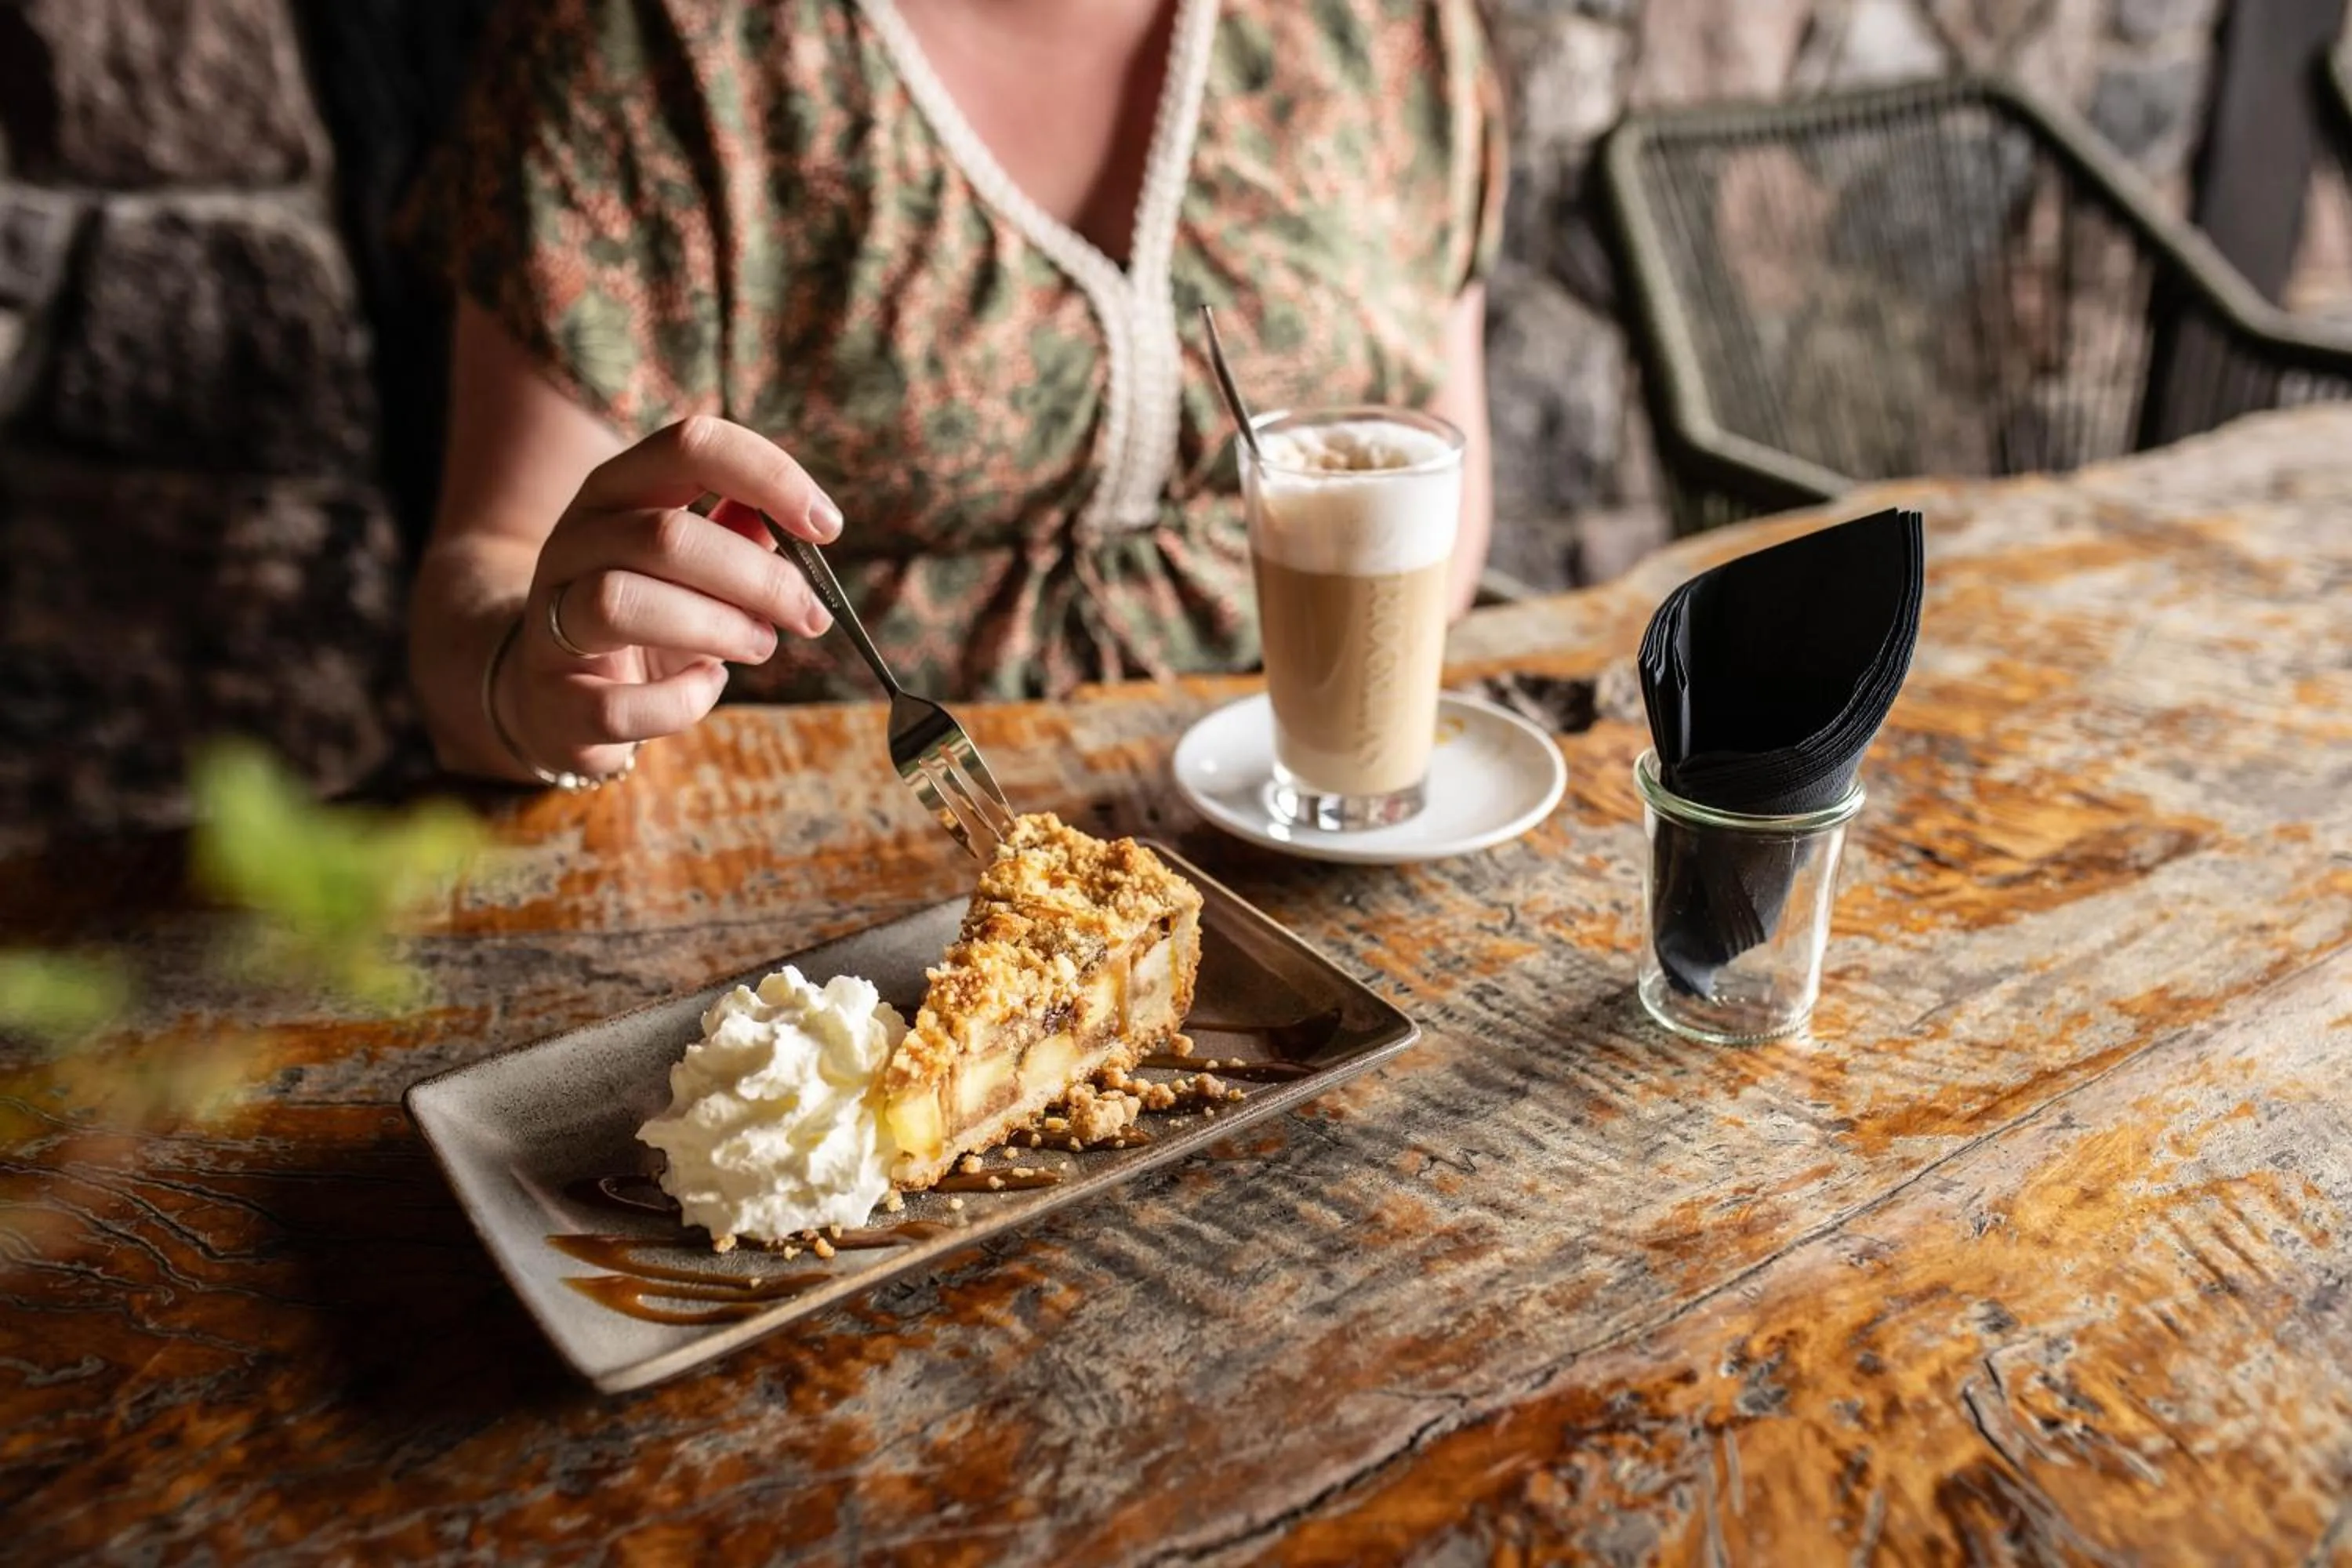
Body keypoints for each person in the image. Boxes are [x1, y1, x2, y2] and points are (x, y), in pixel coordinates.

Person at [405, 0, 1503, 787]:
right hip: (812, 897)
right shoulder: (654, 49)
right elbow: (486, 572)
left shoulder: (1399, 30)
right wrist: (534, 682)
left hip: (1323, 842)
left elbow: (1444, 498)